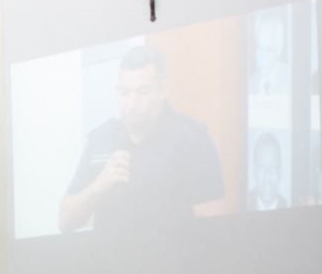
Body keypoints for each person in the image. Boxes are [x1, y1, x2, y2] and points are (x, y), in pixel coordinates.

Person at [58, 45, 224, 232]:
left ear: (162, 90)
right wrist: (99, 185)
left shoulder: (192, 140)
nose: (131, 104)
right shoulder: (101, 139)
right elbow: (64, 222)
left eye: (142, 92)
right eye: (124, 93)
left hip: (169, 259)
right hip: (111, 261)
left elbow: (213, 227)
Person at [247, 132, 288, 211]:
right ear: (254, 171)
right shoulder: (243, 203)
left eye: (273, 167)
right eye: (261, 167)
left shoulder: (288, 205)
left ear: (280, 172)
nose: (267, 175)